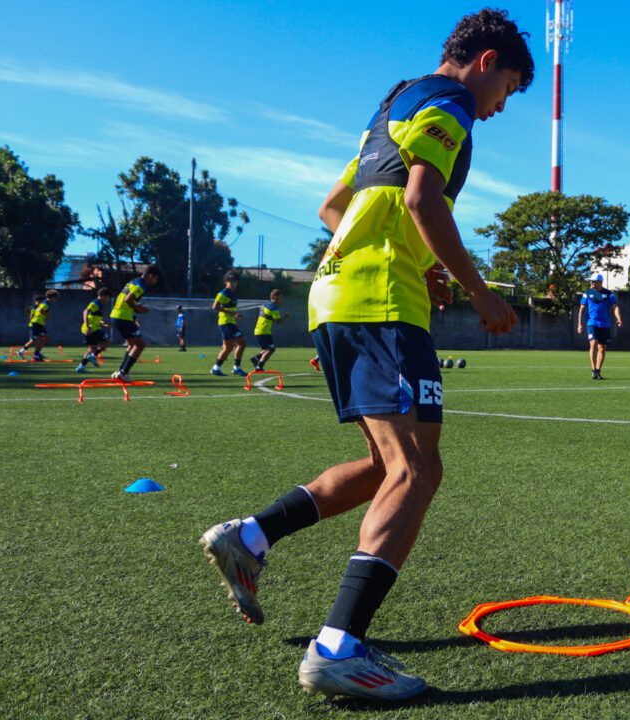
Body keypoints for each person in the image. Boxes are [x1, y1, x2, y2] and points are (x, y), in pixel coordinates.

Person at [200, 8, 532, 701]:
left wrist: (424, 260)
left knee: (388, 463)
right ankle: (339, 647)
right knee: (418, 468)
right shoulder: (449, 100)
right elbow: (421, 196)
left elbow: (335, 206)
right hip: (379, 300)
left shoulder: (393, 106)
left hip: (344, 293)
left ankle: (252, 538)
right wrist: (476, 290)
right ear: (487, 60)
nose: (501, 107)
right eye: (509, 88)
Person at [108, 266, 161, 382]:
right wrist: (137, 308)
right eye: (155, 279)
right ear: (150, 276)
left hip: (116, 315)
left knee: (133, 344)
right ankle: (123, 372)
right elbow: (128, 299)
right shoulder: (141, 285)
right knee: (140, 345)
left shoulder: (133, 281)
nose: (155, 282)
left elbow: (124, 299)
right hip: (123, 317)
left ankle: (119, 371)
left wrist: (135, 308)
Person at [577, 273, 622, 380]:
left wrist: (618, 318)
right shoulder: (587, 293)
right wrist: (579, 324)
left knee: (602, 348)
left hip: (605, 324)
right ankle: (593, 370)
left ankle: (598, 371)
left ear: (600, 282)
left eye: (593, 281)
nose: (591, 283)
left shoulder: (609, 294)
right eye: (590, 281)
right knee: (593, 344)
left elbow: (615, 307)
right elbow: (581, 309)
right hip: (592, 323)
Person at [210, 271, 247, 377]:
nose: (234, 284)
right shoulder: (223, 293)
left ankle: (216, 368)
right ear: (226, 282)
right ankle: (236, 368)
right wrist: (233, 313)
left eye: (235, 282)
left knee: (228, 348)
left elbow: (222, 308)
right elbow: (215, 307)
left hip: (227, 322)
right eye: (231, 282)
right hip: (227, 323)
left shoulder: (233, 293)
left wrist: (233, 314)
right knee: (242, 343)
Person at [249, 289, 289, 372]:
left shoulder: (266, 304)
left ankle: (255, 358)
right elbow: (279, 321)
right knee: (271, 349)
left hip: (259, 330)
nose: (281, 299)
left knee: (267, 349)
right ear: (275, 297)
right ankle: (259, 366)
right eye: (280, 297)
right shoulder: (273, 307)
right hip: (263, 331)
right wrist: (286, 317)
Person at [76, 287, 113, 372]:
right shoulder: (95, 303)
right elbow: (85, 312)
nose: (108, 300)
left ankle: (81, 367)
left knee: (92, 349)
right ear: (103, 296)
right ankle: (93, 356)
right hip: (92, 329)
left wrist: (105, 324)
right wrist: (88, 326)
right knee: (108, 341)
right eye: (108, 297)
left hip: (92, 327)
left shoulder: (99, 305)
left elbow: (94, 318)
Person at [19, 289, 59, 361]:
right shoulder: (46, 304)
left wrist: (43, 318)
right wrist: (47, 314)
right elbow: (40, 310)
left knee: (42, 338)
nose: (55, 300)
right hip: (37, 323)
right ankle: (35, 353)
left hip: (38, 323)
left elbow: (37, 311)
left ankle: (37, 354)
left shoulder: (44, 303)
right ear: (51, 297)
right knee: (43, 337)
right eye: (55, 298)